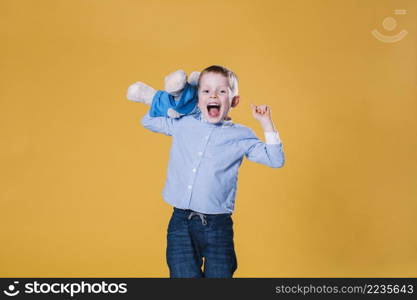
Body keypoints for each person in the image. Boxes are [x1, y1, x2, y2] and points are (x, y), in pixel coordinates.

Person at [140, 65, 285, 278]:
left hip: (218, 226)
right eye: (205, 91)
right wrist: (178, 102)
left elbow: (275, 159)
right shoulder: (183, 123)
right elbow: (148, 120)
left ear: (234, 101)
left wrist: (266, 123)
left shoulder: (242, 135)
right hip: (181, 222)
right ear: (197, 98)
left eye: (222, 91)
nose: (213, 95)